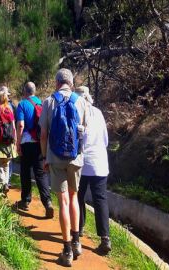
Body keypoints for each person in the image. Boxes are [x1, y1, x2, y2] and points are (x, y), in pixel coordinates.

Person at [39, 68, 87, 267]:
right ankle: (77, 243)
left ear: (57, 82)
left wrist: (44, 156)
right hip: (76, 157)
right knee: (75, 197)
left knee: (63, 201)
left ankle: (66, 250)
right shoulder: (81, 101)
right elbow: (84, 131)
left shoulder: (49, 102)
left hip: (56, 157)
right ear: (71, 83)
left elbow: (43, 135)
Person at [75, 86, 111, 255]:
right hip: (100, 162)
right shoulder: (98, 112)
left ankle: (79, 227)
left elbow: (77, 141)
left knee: (78, 196)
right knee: (100, 200)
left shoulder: (77, 113)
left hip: (82, 163)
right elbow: (105, 140)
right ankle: (105, 238)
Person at [15, 82, 54, 218]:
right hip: (39, 142)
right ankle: (47, 202)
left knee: (25, 172)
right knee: (40, 173)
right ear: (35, 91)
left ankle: (25, 200)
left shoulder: (22, 104)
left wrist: (18, 143)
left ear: (25, 91)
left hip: (26, 142)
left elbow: (20, 125)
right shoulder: (41, 104)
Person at [0, 89, 17, 194]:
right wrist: (15, 139)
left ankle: (1, 184)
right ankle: (6, 182)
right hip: (9, 138)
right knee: (6, 162)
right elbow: (13, 126)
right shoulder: (10, 109)